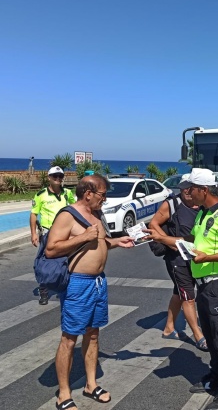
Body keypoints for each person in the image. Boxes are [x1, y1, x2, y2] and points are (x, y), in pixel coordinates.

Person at [47, 175, 135, 410]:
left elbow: (101, 241)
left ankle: (91, 384)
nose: (105, 199)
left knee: (93, 334)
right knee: (69, 338)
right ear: (88, 193)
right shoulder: (68, 215)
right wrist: (83, 237)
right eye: (102, 194)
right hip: (78, 283)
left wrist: (118, 242)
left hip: (98, 282)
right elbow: (51, 249)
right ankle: (64, 393)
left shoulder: (97, 214)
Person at [168, 168, 218, 410]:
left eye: (191, 188)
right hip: (203, 287)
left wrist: (207, 257)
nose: (187, 192)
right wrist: (160, 239)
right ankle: (215, 378)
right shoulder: (202, 213)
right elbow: (193, 242)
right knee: (211, 339)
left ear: (203, 190)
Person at [148, 174, 207, 351]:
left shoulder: (201, 204)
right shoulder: (172, 204)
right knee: (188, 297)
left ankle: (168, 328)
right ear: (181, 189)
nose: (188, 191)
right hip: (177, 259)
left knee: (179, 292)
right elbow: (153, 224)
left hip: (195, 257)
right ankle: (198, 335)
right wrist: (168, 241)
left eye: (191, 187)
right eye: (185, 188)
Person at [30, 166, 76, 305]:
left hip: (65, 233)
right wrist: (33, 234)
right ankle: (44, 291)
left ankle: (65, 287)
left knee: (68, 260)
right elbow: (33, 214)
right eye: (55, 176)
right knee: (44, 262)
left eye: (60, 176)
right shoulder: (40, 195)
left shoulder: (67, 193)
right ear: (49, 178)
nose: (58, 179)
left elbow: (75, 210)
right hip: (47, 232)